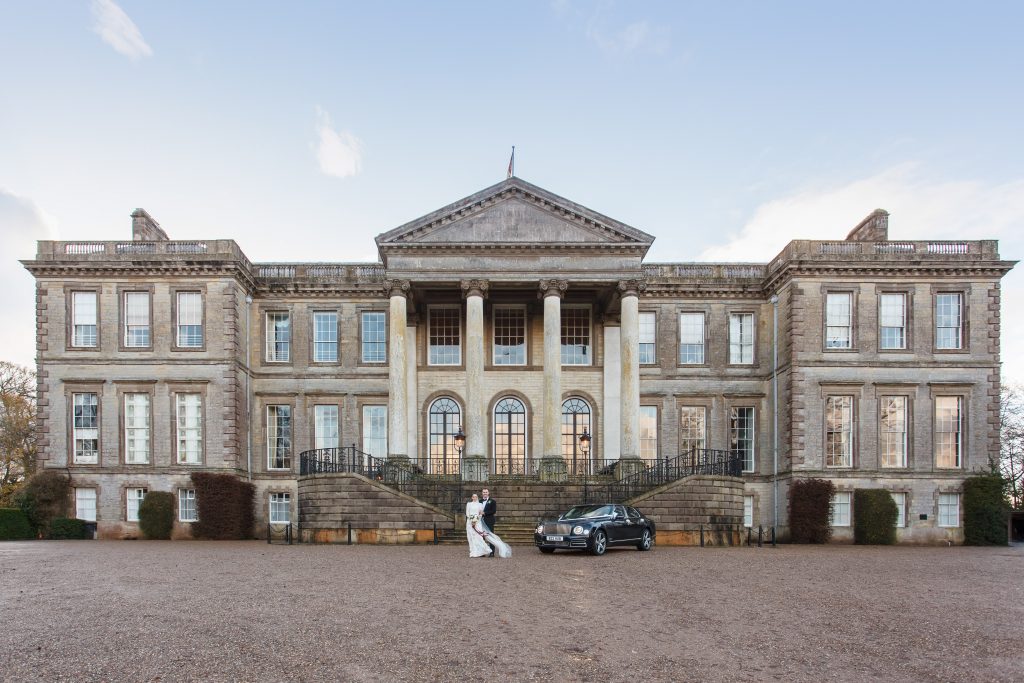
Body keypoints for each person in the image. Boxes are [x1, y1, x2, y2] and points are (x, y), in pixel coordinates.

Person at [465, 493, 511, 559]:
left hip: (479, 522)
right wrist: (472, 520)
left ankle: (491, 552)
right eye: (473, 497)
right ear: (472, 498)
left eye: (476, 497)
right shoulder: (469, 504)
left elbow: (481, 513)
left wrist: (476, 520)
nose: (474, 498)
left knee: (479, 537)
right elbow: (467, 513)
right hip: (470, 523)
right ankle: (476, 552)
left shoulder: (481, 504)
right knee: (471, 537)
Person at [481, 488, 497, 557]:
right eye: (484, 492)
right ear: (482, 493)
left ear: (488, 493)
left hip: (489, 521)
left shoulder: (492, 501)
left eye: (486, 492)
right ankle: (483, 552)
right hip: (480, 522)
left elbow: (493, 511)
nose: (485, 493)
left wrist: (485, 513)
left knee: (490, 537)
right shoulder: (479, 501)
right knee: (481, 537)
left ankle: (492, 552)